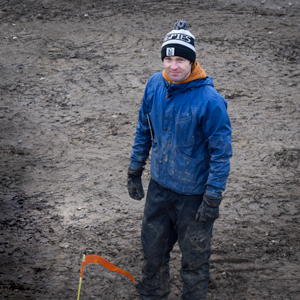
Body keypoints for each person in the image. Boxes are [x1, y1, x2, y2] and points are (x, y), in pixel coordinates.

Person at [127, 20, 232, 300]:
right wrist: (135, 168)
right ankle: (153, 296)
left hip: (194, 197)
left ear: (192, 61)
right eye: (168, 58)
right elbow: (144, 128)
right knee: (152, 254)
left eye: (181, 59)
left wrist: (212, 198)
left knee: (194, 263)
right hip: (159, 190)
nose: (173, 66)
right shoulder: (154, 84)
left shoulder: (210, 101)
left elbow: (221, 153)